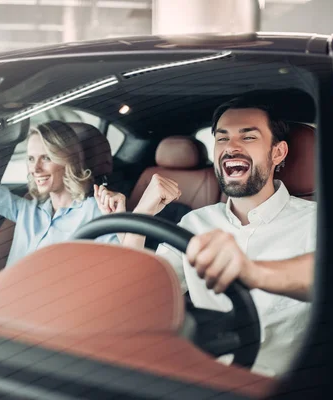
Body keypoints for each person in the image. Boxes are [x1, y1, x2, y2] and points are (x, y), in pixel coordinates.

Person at [105, 95, 317, 377]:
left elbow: (328, 279)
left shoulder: (317, 223)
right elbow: (142, 295)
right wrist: (142, 213)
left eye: (248, 137)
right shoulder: (195, 222)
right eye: (222, 138)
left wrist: (252, 272)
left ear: (277, 153)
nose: (231, 148)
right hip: (201, 377)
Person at [0, 120, 122, 268]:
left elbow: (119, 266)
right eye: (31, 159)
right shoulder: (26, 210)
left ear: (69, 160)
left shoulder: (95, 210)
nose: (35, 169)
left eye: (46, 158)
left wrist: (118, 216)